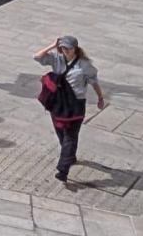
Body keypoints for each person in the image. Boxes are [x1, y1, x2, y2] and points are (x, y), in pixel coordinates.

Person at [33, 35, 107, 183]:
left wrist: (100, 97)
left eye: (69, 48)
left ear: (75, 49)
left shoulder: (85, 65)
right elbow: (37, 57)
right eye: (63, 48)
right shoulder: (56, 58)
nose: (66, 50)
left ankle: (63, 169)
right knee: (61, 133)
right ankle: (70, 156)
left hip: (75, 104)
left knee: (70, 136)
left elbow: (94, 83)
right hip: (58, 103)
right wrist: (52, 45)